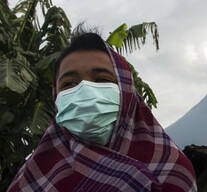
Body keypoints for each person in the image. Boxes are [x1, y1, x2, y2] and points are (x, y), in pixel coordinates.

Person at [7, 33, 197, 192]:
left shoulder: (172, 169)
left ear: (127, 91)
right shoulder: (35, 175)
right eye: (69, 84)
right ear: (56, 96)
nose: (85, 90)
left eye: (102, 79)